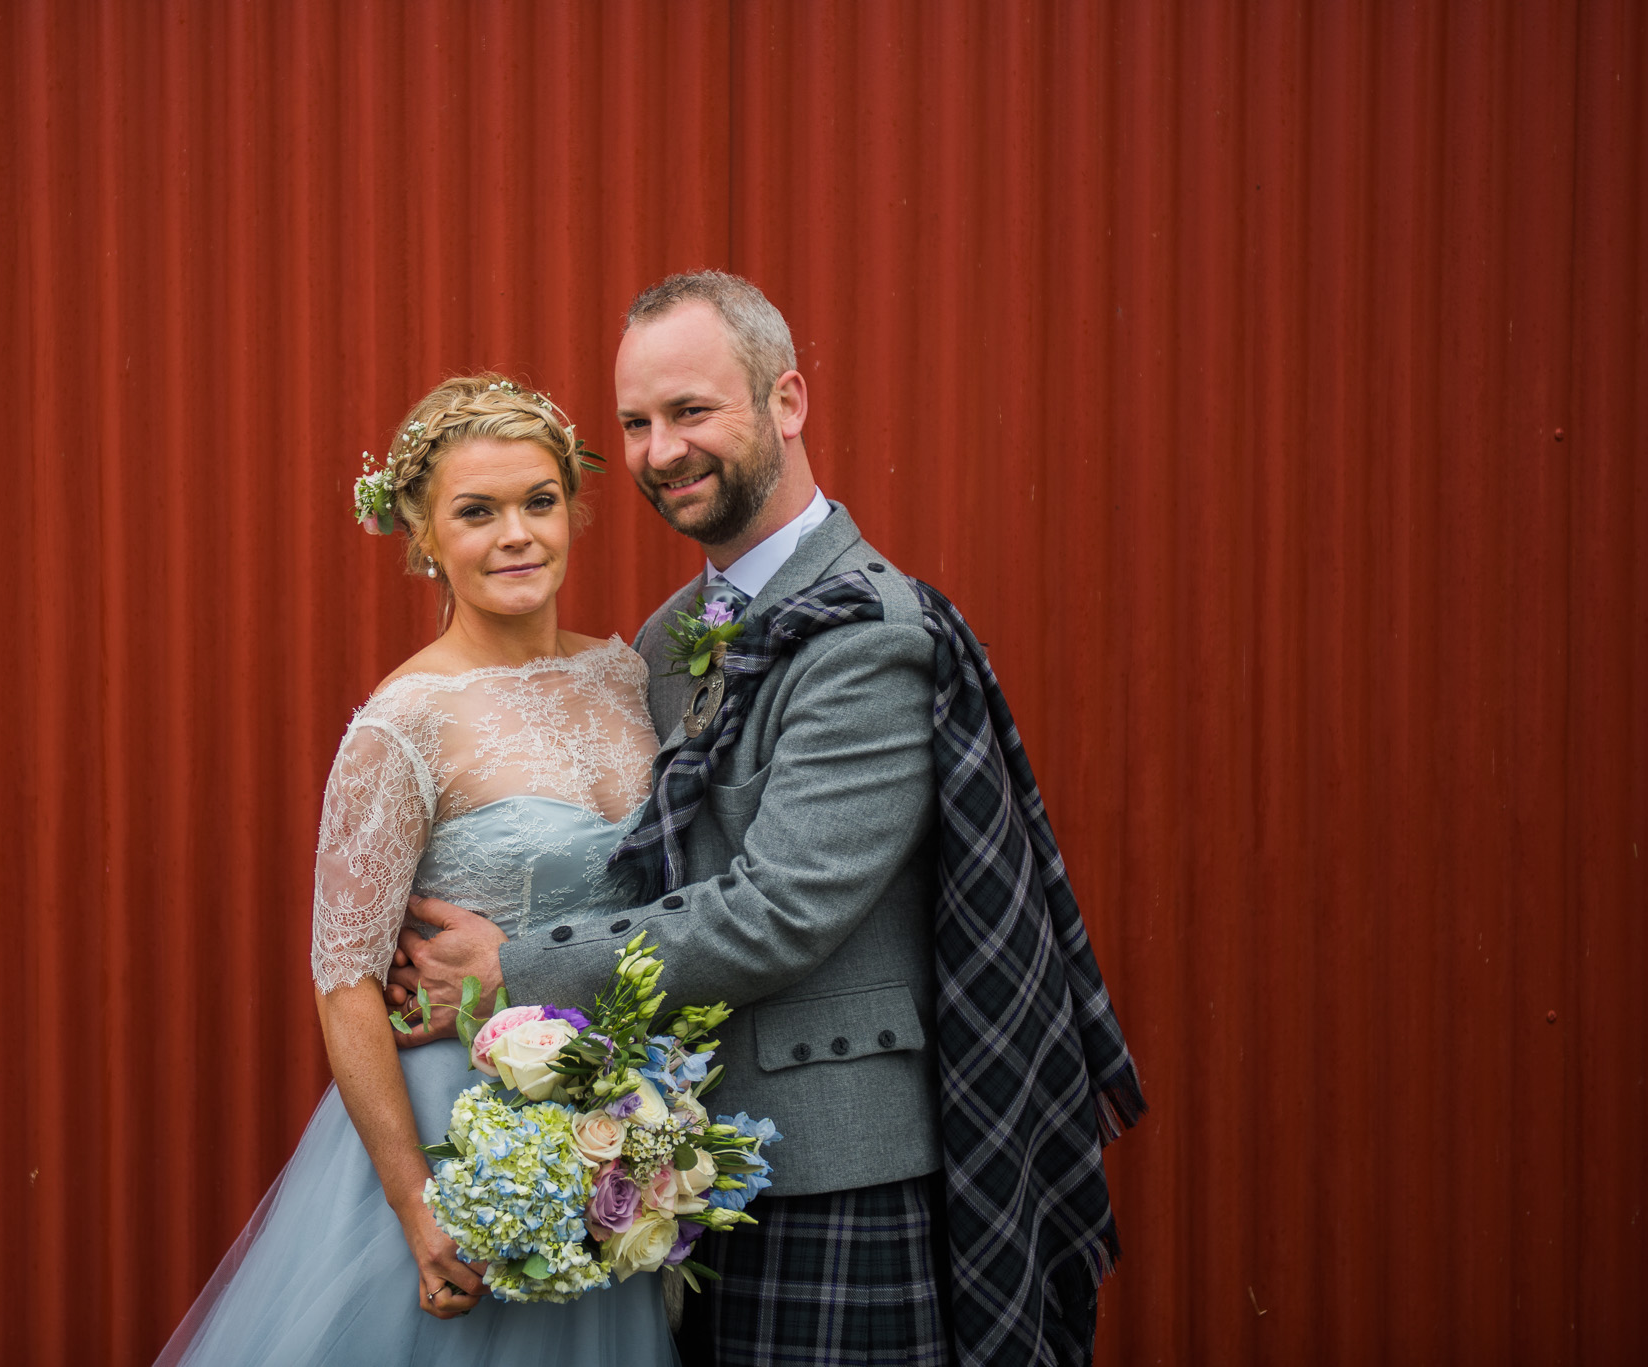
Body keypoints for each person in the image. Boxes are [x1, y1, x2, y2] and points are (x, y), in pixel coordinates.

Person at [394, 272, 1144, 1367]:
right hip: (681, 1171)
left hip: (840, 1176)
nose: (661, 451)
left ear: (784, 401)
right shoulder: (660, 641)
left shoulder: (870, 633)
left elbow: (781, 908)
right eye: (636, 425)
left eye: (691, 412)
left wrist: (516, 967)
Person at [155, 375, 678, 1366]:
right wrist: (415, 1199)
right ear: (424, 533)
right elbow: (344, 979)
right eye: (475, 512)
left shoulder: (625, 675)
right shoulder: (404, 725)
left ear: (572, 507)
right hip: (460, 1134)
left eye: (538, 500)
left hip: (609, 1127)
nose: (516, 533)